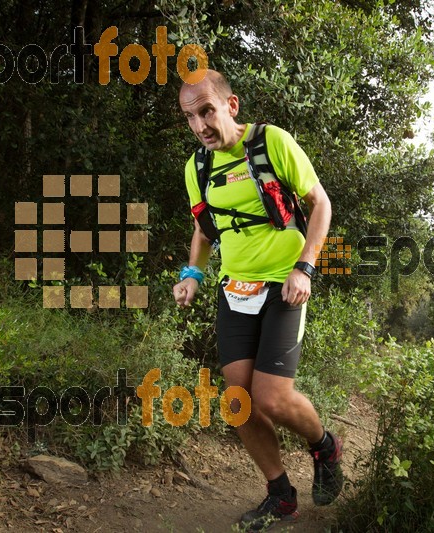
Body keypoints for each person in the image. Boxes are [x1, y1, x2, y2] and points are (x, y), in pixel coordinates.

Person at [172, 69, 343, 530]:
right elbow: (204, 229)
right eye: (190, 117)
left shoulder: (271, 143)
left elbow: (320, 204)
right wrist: (193, 275)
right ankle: (280, 494)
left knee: (271, 398)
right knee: (237, 400)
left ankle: (325, 445)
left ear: (231, 106)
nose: (200, 125)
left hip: (285, 284)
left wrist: (305, 265)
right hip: (236, 288)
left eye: (206, 111)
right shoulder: (198, 168)